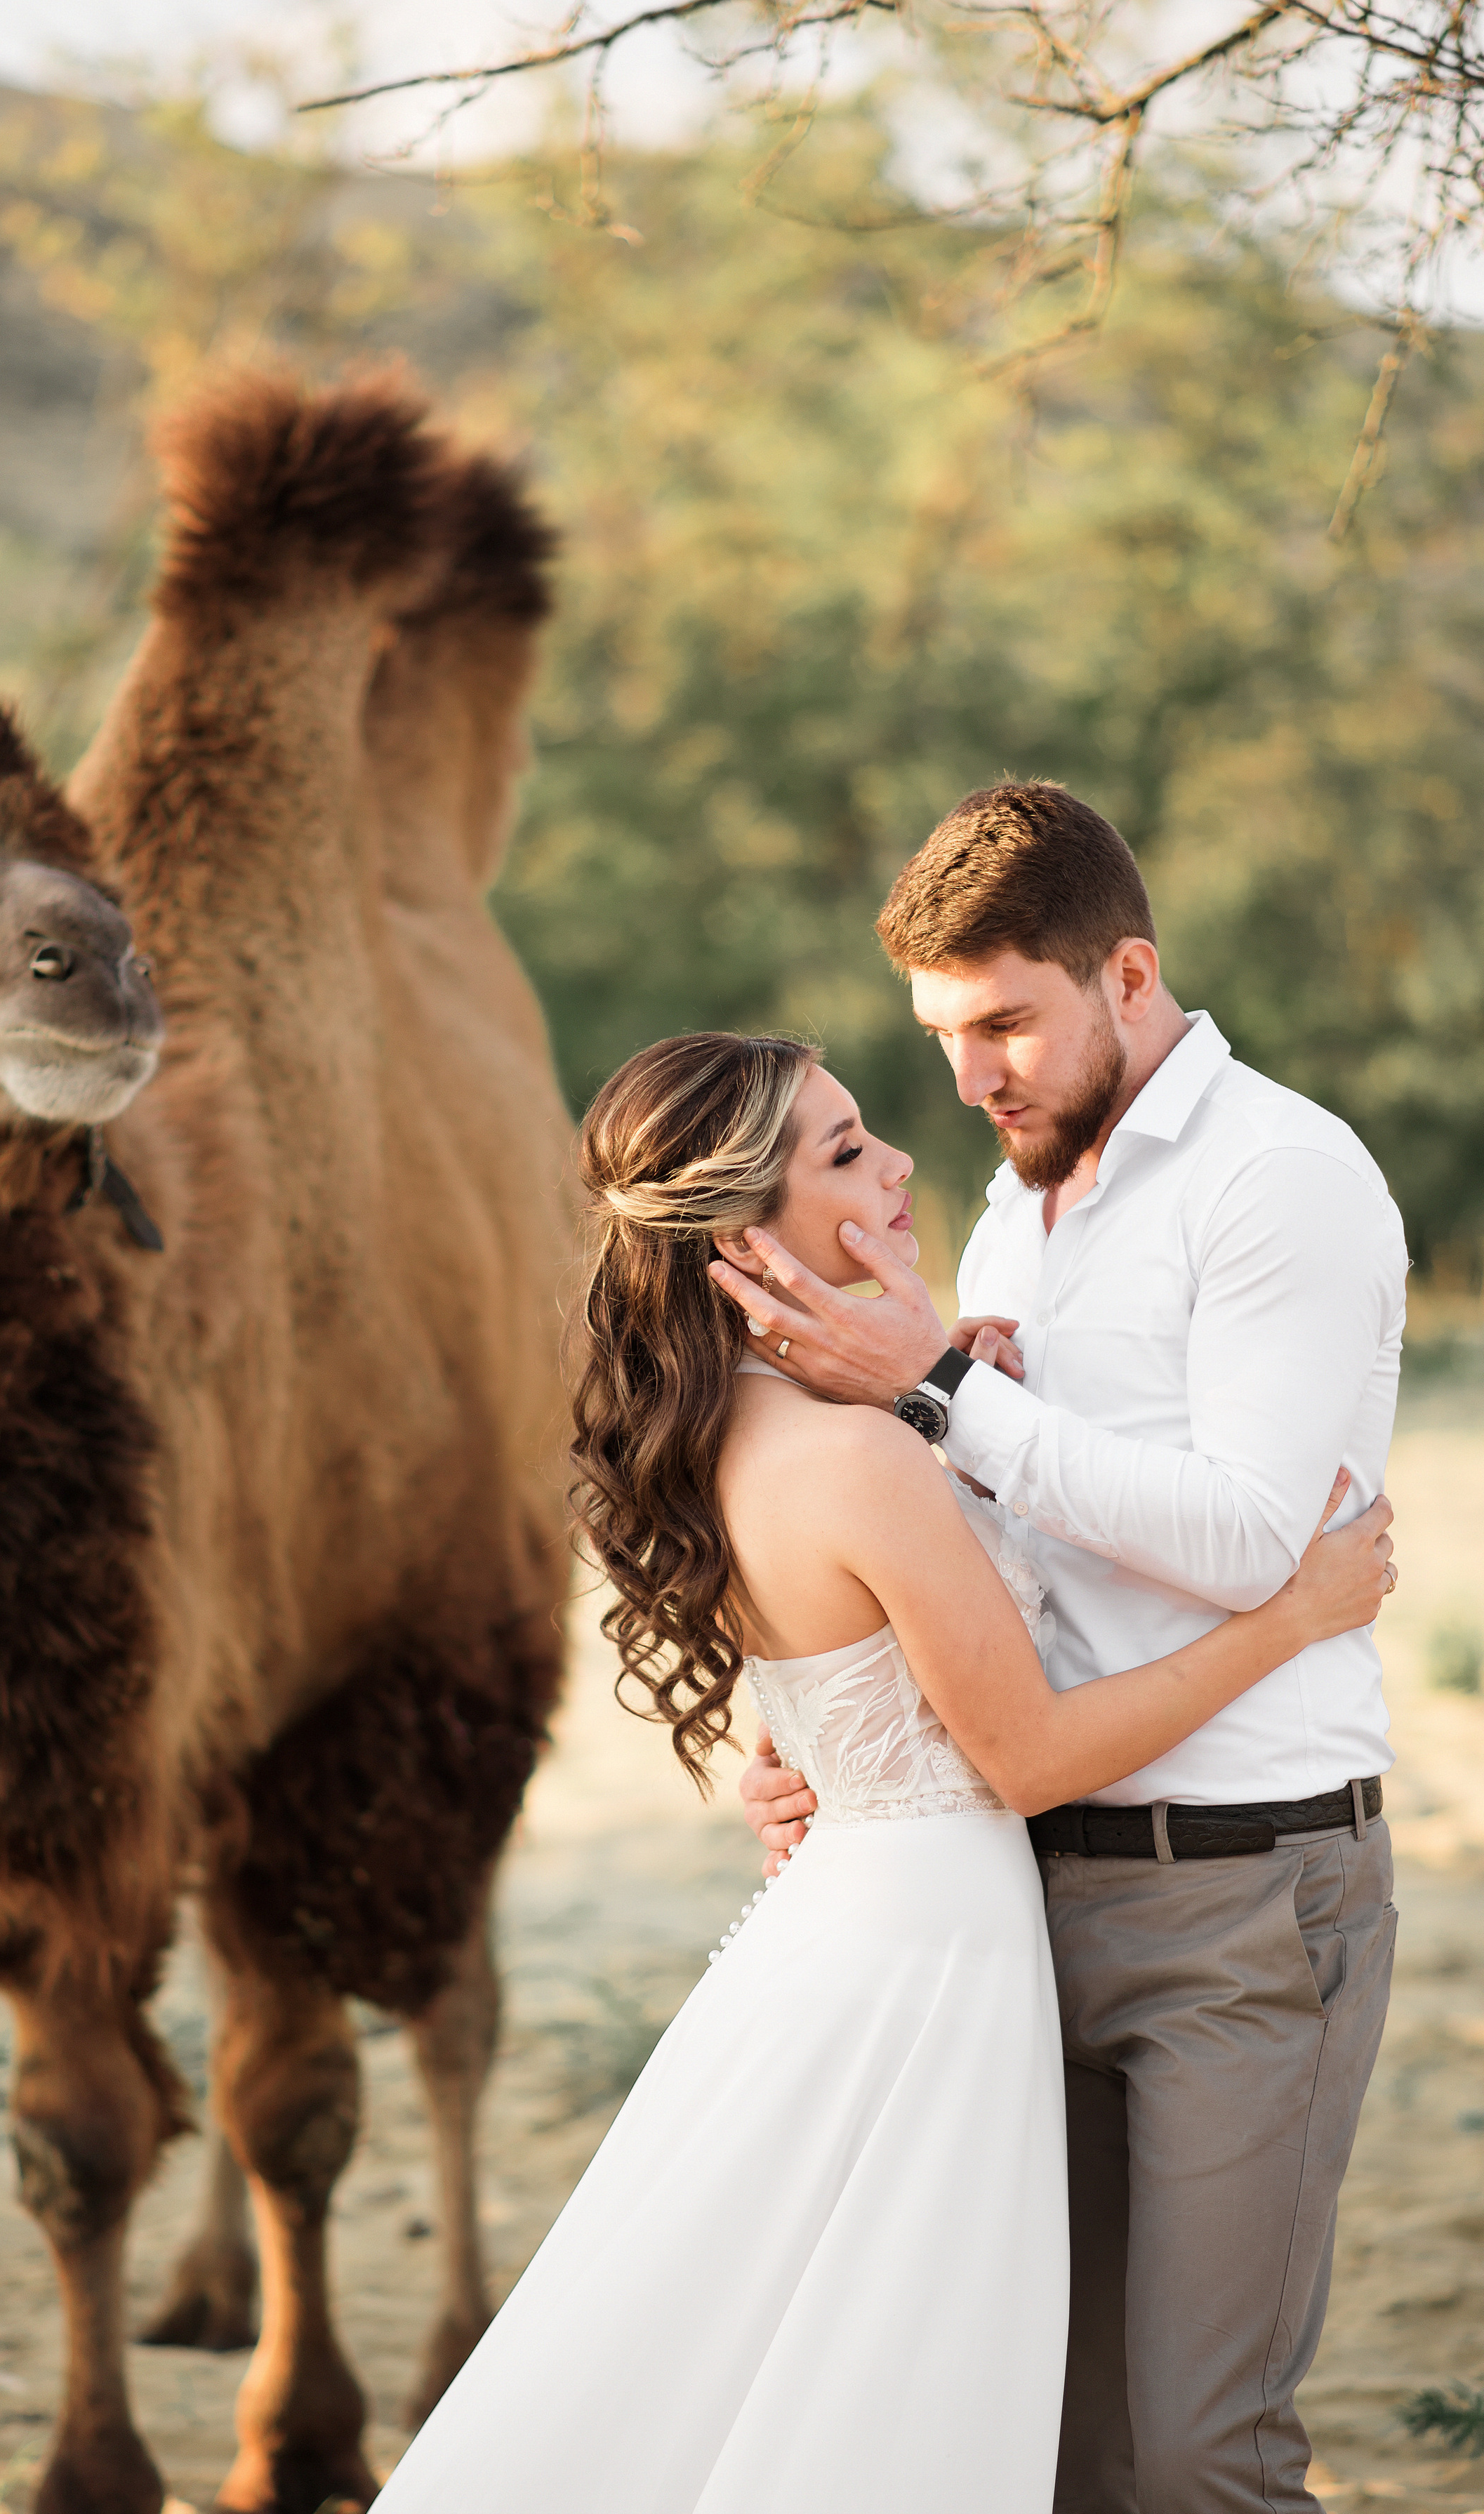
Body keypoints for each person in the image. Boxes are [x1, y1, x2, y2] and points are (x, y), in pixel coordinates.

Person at [373, 1028, 1394, 2514]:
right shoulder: (854, 1462)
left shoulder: (741, 1422)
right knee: (893, 2381)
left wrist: (947, 1404)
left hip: (860, 1914)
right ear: (739, 1232)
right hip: (931, 1956)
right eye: (846, 1150)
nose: (902, 1157)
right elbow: (1029, 1755)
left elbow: (841, 1670)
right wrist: (1289, 1614)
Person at [722, 781, 1408, 2514]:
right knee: (1062, 2447)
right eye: (944, 1038)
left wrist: (945, 1391)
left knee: (1201, 2452)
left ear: (1126, 972)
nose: (972, 1080)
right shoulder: (1025, 1202)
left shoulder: (1279, 1177)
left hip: (1242, 1900)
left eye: (1004, 1023)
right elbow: (1008, 1539)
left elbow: (1250, 1537)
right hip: (1020, 1887)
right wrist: (818, 1730)